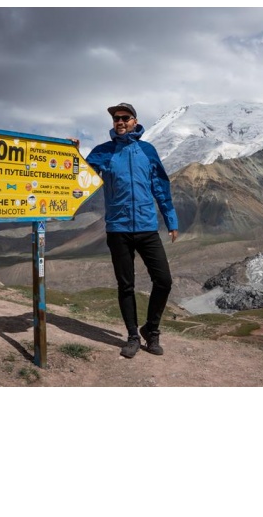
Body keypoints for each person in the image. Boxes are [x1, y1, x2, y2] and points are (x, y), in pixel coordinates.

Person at [76, 102, 179, 358]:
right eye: (116, 119)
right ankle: (133, 336)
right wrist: (74, 155)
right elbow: (82, 179)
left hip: (146, 226)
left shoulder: (147, 150)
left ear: (135, 121)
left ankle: (151, 330)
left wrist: (171, 220)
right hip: (118, 229)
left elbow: (160, 186)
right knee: (126, 285)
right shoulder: (103, 152)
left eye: (125, 117)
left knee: (164, 280)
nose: (120, 122)